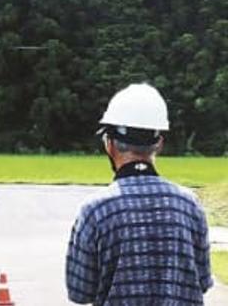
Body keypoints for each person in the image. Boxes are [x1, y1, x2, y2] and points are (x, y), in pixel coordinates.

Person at [65, 83, 213, 305]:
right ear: (159, 144)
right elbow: (202, 281)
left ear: (109, 144)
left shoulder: (95, 210)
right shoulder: (190, 205)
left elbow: (80, 292)